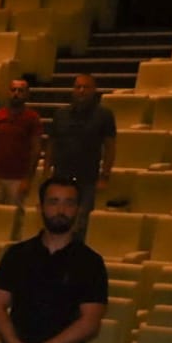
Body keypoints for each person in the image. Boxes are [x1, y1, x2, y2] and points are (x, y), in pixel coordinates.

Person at [0, 176, 108, 343]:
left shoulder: (91, 262)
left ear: (78, 210)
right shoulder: (17, 254)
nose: (61, 210)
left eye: (69, 203)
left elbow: (90, 322)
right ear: (40, 208)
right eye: (53, 202)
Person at [46, 73, 116, 233]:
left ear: (94, 90)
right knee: (58, 219)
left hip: (87, 179)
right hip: (61, 177)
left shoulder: (104, 115)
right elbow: (51, 144)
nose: (81, 90)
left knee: (81, 223)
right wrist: (46, 172)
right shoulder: (60, 114)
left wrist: (105, 175)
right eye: (78, 87)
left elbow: (110, 147)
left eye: (86, 87)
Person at [0, 79, 43, 208]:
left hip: (18, 179)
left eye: (20, 90)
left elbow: (36, 150)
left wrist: (27, 179)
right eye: (13, 90)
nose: (16, 93)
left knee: (14, 216)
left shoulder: (33, 118)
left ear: (27, 94)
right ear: (8, 92)